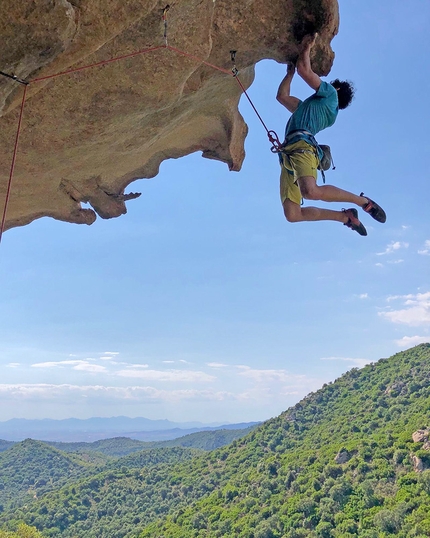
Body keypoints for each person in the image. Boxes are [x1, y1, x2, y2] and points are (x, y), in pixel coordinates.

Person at [276, 34, 386, 236]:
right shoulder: (308, 110)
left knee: (310, 191)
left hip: (301, 147)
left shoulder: (331, 94)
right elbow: (282, 96)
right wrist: (289, 72)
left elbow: (305, 70)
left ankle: (363, 202)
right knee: (292, 214)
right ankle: (347, 217)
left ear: (335, 88)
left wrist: (307, 47)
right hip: (289, 155)